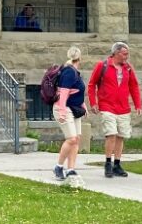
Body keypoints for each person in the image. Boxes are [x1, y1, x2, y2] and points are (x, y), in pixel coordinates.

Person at [88, 41, 142, 178]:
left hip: (123, 107)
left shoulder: (128, 68)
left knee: (120, 136)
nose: (127, 56)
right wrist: (93, 102)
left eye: (127, 54)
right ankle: (107, 163)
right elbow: (92, 84)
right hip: (107, 106)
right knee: (111, 134)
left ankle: (117, 164)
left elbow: (134, 86)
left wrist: (138, 105)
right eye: (125, 54)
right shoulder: (103, 66)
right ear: (116, 53)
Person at [52, 46, 86, 186]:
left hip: (74, 108)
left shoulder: (75, 72)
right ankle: (59, 167)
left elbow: (76, 91)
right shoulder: (69, 72)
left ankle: (71, 169)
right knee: (71, 139)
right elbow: (64, 93)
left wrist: (83, 105)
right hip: (64, 108)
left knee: (76, 139)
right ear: (80, 58)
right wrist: (61, 111)